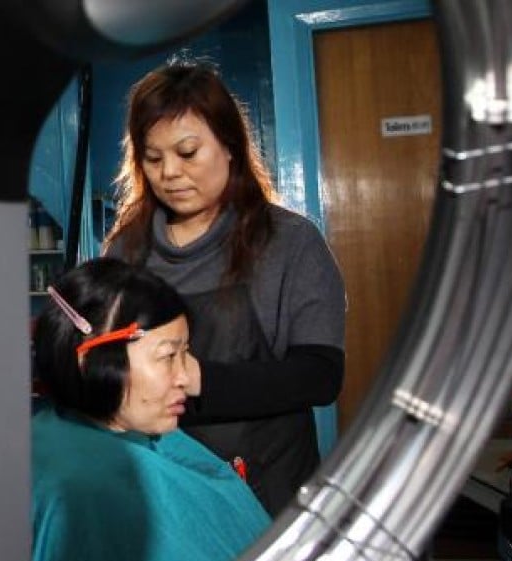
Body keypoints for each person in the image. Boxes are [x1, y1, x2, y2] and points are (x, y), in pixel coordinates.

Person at [31, 258, 424, 561]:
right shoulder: (98, 494)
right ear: (89, 360)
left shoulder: (113, 437)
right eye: (168, 356)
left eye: (187, 353)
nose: (187, 376)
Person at [103, 57, 346, 517]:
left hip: (268, 491)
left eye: (188, 152)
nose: (169, 173)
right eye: (153, 158)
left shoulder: (290, 242)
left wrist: (196, 379)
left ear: (230, 145)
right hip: (165, 489)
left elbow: (321, 375)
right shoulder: (125, 252)